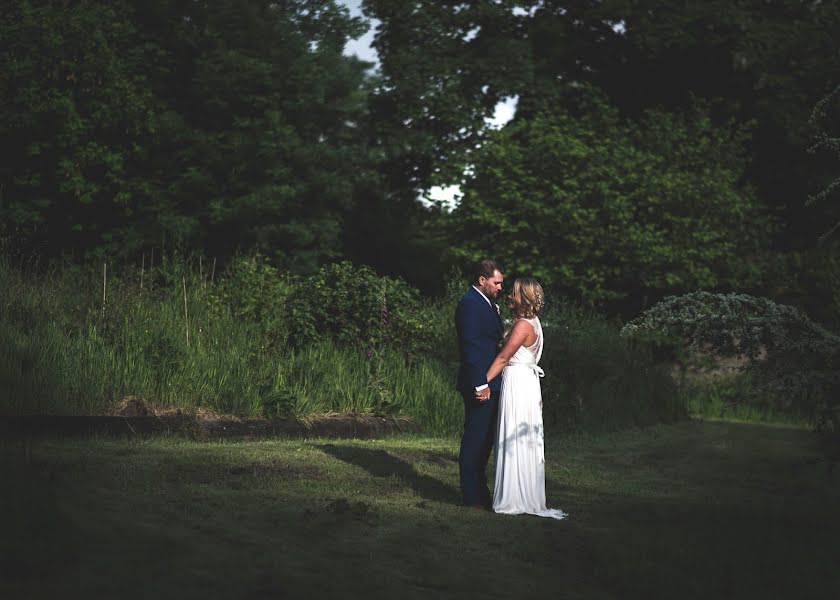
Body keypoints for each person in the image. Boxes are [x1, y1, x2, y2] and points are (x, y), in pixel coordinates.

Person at [482, 277, 567, 520]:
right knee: (520, 438)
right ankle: (521, 492)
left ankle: (513, 498)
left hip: (519, 384)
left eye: (514, 293)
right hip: (526, 383)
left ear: (523, 298)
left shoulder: (523, 326)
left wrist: (481, 383)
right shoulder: (531, 322)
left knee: (514, 435)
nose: (509, 295)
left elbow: (502, 359)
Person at [455, 259, 505, 509]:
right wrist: (479, 384)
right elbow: (471, 348)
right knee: (475, 439)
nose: (500, 288)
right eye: (497, 283)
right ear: (482, 280)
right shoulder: (470, 304)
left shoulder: (488, 304)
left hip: (491, 382)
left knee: (485, 441)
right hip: (480, 383)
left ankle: (480, 492)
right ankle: (471, 497)